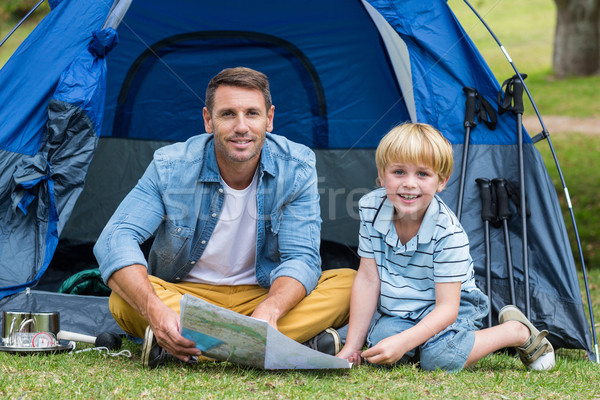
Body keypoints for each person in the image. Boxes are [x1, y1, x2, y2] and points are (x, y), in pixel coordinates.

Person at [94, 67, 356, 368]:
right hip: (186, 295)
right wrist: (154, 308)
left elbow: (302, 258)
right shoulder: (171, 166)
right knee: (123, 298)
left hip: (261, 294)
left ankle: (181, 343)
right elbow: (116, 238)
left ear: (269, 119)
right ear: (209, 120)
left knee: (350, 285)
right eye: (228, 114)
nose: (241, 127)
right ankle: (273, 344)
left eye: (252, 114)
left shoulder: (296, 167)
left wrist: (271, 308)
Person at [336, 123, 555, 372]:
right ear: (381, 173)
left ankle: (515, 331)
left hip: (452, 305)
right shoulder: (370, 208)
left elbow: (447, 309)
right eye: (398, 172)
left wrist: (405, 341)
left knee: (441, 359)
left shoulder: (448, 232)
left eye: (422, 174)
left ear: (442, 181)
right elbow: (367, 278)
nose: (409, 184)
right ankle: (420, 344)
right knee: (381, 346)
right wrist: (352, 346)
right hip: (401, 307)